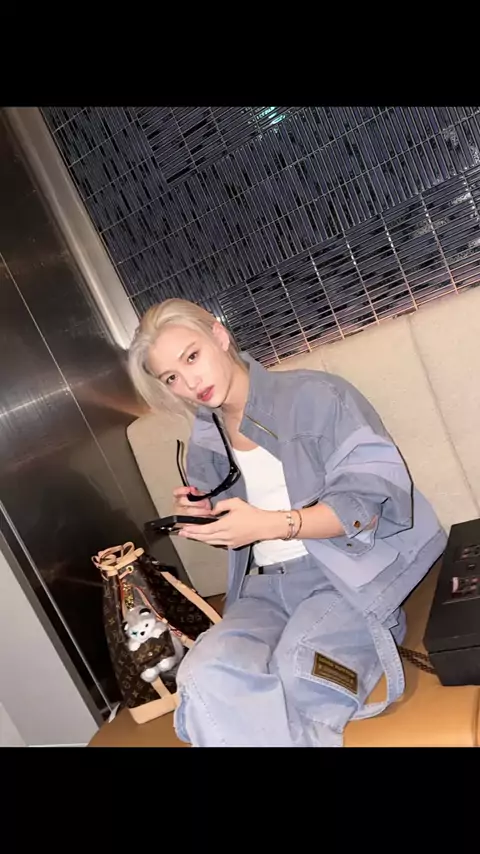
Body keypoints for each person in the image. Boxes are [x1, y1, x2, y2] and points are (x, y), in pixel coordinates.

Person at [129, 298, 446, 747]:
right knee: (203, 675)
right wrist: (207, 518)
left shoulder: (317, 397)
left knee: (300, 672)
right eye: (171, 378)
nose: (190, 383)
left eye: (192, 356)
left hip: (342, 578)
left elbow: (370, 500)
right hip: (261, 591)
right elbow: (241, 532)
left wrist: (271, 524)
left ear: (219, 335)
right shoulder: (206, 441)